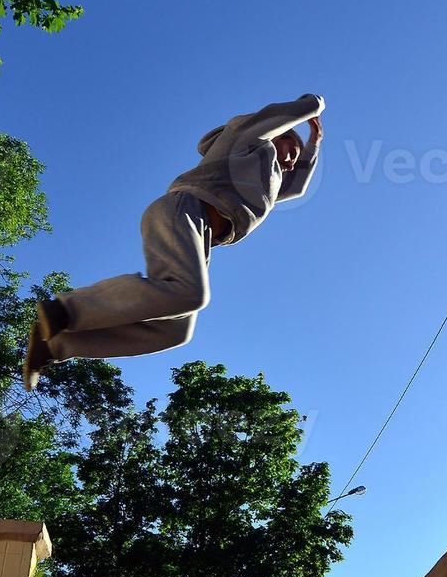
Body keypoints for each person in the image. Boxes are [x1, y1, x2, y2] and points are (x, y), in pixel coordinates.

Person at [23, 93, 326, 390]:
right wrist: (313, 105)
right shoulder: (244, 139)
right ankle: (65, 309)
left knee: (176, 330)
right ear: (278, 136)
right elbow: (277, 116)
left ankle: (57, 346)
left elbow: (296, 187)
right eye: (290, 152)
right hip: (185, 210)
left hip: (201, 233)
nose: (289, 164)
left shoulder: (266, 181)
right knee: (192, 294)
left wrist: (314, 144)